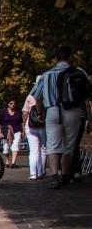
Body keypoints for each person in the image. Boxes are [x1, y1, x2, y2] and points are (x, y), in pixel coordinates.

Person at [30, 45, 92, 188]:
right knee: (69, 146)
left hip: (53, 110)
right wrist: (89, 118)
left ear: (56, 59)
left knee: (52, 145)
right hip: (73, 111)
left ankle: (54, 176)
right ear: (70, 58)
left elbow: (37, 98)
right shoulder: (79, 72)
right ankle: (65, 174)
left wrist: (40, 113)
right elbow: (87, 97)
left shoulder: (46, 75)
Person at [22, 79, 46, 180]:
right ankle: (41, 171)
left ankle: (33, 173)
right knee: (43, 148)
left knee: (33, 150)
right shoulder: (46, 96)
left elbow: (25, 113)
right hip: (43, 125)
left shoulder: (30, 97)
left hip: (30, 126)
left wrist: (23, 126)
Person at [0, 98, 23, 167]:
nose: (13, 105)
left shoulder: (19, 112)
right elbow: (0, 123)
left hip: (16, 130)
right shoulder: (3, 112)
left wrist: (23, 131)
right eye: (11, 103)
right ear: (8, 104)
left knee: (15, 145)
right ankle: (7, 161)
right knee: (6, 147)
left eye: (14, 103)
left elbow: (21, 122)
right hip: (6, 131)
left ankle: (13, 162)